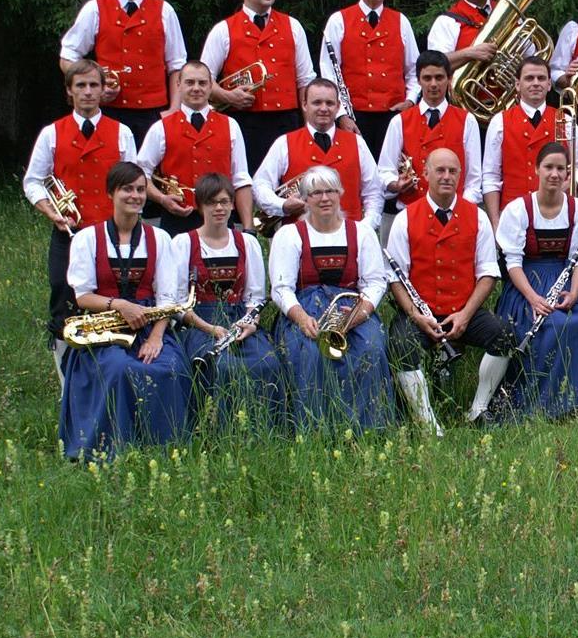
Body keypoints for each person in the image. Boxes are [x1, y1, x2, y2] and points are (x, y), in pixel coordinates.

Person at [58, 162, 192, 459]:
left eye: (141, 190)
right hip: (105, 326)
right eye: (127, 189)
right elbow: (82, 296)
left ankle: (163, 448)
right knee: (118, 368)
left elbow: (167, 298)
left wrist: (157, 338)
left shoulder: (160, 239)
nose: (135, 196)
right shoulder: (86, 239)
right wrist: (118, 304)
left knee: (170, 368)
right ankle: (111, 447)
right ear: (111, 193)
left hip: (149, 323)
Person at [24, 61, 139, 383]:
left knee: (113, 298)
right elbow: (34, 180)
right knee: (63, 297)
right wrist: (49, 209)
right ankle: (66, 381)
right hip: (68, 232)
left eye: (93, 85)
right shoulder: (52, 133)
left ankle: (112, 370)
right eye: (80, 86)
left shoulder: (122, 132)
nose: (87, 92)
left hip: (110, 234)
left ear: (104, 90)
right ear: (69, 92)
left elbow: (131, 181)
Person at [386, 149, 516, 427]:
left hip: (463, 310)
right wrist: (415, 315)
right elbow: (396, 278)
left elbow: (488, 274)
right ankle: (427, 423)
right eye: (440, 170)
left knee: (504, 335)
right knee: (400, 344)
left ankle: (478, 410)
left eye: (452, 171)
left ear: (460, 175)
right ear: (425, 174)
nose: (446, 176)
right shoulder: (405, 218)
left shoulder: (478, 217)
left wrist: (466, 315)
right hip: (421, 313)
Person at [268, 166, 393, 430]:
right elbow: (281, 289)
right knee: (309, 353)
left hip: (352, 310)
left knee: (370, 348)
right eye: (315, 193)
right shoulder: (289, 235)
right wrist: (302, 319)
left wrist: (358, 315)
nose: (324, 198)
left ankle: (367, 430)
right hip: (305, 312)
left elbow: (374, 282)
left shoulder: (362, 232)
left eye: (330, 191)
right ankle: (315, 429)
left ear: (340, 194)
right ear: (305, 199)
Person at [496, 143, 578, 418]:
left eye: (560, 168)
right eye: (548, 167)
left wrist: (574, 292)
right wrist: (533, 298)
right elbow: (512, 262)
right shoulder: (518, 209)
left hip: (566, 278)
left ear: (568, 174)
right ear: (536, 169)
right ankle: (545, 400)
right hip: (527, 281)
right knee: (549, 324)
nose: (554, 173)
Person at [171, 173, 284, 425]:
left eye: (224, 201)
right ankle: (219, 429)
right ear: (200, 206)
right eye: (212, 202)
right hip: (198, 323)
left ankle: (260, 429)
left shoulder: (247, 243)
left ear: (233, 204)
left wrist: (251, 323)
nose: (219, 208)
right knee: (223, 367)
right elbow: (177, 303)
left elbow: (254, 296)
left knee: (268, 363)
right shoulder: (182, 243)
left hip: (239, 322)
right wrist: (209, 328)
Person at [58, 0, 189, 140]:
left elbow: (177, 65)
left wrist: (173, 109)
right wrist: (93, 82)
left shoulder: (165, 10)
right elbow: (67, 56)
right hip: (107, 111)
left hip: (153, 114)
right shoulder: (94, 9)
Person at [201, 0, 316, 169]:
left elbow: (305, 80)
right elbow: (203, 79)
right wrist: (228, 96)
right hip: (242, 120)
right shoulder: (223, 30)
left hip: (286, 120)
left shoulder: (293, 26)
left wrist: (310, 126)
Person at [135, 61, 253, 235]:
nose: (196, 88)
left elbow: (241, 179)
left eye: (202, 83)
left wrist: (249, 228)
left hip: (220, 221)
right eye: (190, 82)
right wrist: (162, 199)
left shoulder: (231, 125)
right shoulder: (160, 128)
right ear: (178, 85)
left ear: (211, 86)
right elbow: (140, 173)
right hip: (176, 220)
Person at [253, 79, 385, 234]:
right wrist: (282, 205)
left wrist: (365, 228)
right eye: (317, 103)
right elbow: (260, 185)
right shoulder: (284, 143)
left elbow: (374, 192)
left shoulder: (357, 143)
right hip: (300, 241)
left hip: (350, 239)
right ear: (304, 104)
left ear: (337, 107)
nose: (324, 108)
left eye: (329, 103)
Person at [317, 0, 420, 144]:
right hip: (354, 117)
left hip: (394, 115)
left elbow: (415, 69)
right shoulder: (338, 20)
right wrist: (341, 116)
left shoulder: (402, 21)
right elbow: (330, 73)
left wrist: (411, 101)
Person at [482, 56, 578, 229]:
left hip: (558, 216)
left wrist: (571, 185)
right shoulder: (499, 122)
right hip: (513, 217)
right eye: (529, 78)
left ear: (549, 85)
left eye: (541, 78)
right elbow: (491, 176)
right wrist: (495, 223)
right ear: (518, 85)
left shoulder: (565, 120)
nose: (535, 83)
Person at [376, 50, 482, 214]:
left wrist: (462, 210)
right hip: (410, 211)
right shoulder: (399, 121)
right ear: (418, 80)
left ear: (449, 78)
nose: (433, 84)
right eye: (427, 78)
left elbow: (473, 179)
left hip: (455, 212)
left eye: (439, 77)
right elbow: (384, 170)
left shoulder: (468, 121)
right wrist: (396, 184)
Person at [425, 0, 500, 70]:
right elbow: (434, 65)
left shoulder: (507, 11)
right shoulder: (447, 21)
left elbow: (529, 56)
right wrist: (469, 53)